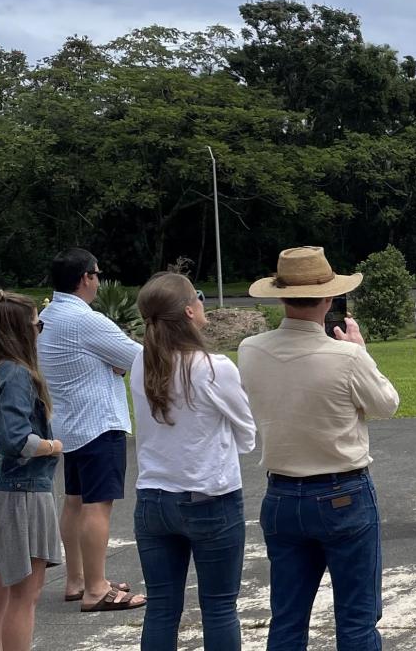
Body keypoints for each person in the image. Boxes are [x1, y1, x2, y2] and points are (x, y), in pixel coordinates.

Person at [240, 246, 402, 651]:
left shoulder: (250, 349)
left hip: (281, 493)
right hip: (342, 491)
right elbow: (386, 405)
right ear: (328, 297)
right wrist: (361, 350)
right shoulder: (346, 356)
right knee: (357, 619)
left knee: (288, 620)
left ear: (280, 296)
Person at [131, 273, 257, 651]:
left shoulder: (142, 361)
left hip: (153, 497)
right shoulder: (213, 366)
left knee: (161, 610)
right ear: (189, 310)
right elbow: (246, 432)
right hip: (209, 496)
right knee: (219, 608)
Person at [38, 247, 146, 611]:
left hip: (68, 424)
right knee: (98, 507)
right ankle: (97, 589)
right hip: (99, 422)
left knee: (74, 502)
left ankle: (77, 579)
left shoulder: (48, 315)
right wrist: (115, 364)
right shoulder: (87, 320)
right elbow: (139, 357)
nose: (98, 281)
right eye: (97, 274)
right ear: (86, 277)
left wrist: (110, 363)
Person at [0, 289, 65, 651]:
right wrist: (52, 446)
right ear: (20, 330)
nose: (39, 330)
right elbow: (18, 440)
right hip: (20, 492)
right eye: (38, 324)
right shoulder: (17, 374)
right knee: (25, 594)